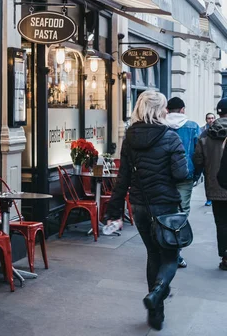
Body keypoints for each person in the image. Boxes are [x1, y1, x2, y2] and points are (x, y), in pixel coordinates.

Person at [106, 90, 188, 331]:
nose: (166, 111)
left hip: (140, 206)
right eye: (163, 107)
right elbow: (181, 174)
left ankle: (156, 313)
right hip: (165, 207)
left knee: (153, 254)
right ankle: (158, 293)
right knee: (170, 256)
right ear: (158, 110)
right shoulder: (171, 137)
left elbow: (122, 178)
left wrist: (113, 211)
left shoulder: (129, 137)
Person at [165, 97, 200, 269]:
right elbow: (197, 154)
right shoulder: (193, 126)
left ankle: (164, 247)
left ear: (167, 110)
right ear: (183, 109)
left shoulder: (161, 126)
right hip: (185, 176)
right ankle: (176, 254)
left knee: (164, 212)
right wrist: (196, 175)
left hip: (164, 176)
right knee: (182, 213)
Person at [194, 98, 227, 271]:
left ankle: (225, 256)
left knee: (221, 222)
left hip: (216, 186)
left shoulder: (207, 134)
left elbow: (198, 159)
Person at [201, 112, 216, 206]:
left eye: (212, 118)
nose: (211, 120)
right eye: (209, 118)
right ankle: (209, 198)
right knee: (208, 180)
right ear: (206, 120)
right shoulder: (202, 130)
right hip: (207, 159)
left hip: (215, 157)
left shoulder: (219, 128)